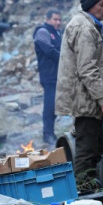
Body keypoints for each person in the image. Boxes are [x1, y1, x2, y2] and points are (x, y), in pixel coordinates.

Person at [56, 0, 103, 190]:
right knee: (87, 150)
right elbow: (87, 68)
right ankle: (82, 194)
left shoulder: (85, 25)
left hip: (85, 98)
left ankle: (89, 191)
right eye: (102, 5)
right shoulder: (85, 29)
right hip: (85, 99)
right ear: (91, 6)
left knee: (95, 146)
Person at [32, 10, 63, 147]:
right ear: (48, 19)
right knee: (49, 105)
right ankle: (47, 133)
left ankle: (51, 131)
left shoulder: (57, 33)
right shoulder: (42, 32)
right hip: (49, 74)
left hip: (59, 75)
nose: (58, 22)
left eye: (59, 20)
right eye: (55, 19)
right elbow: (49, 51)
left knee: (57, 104)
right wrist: (65, 59)